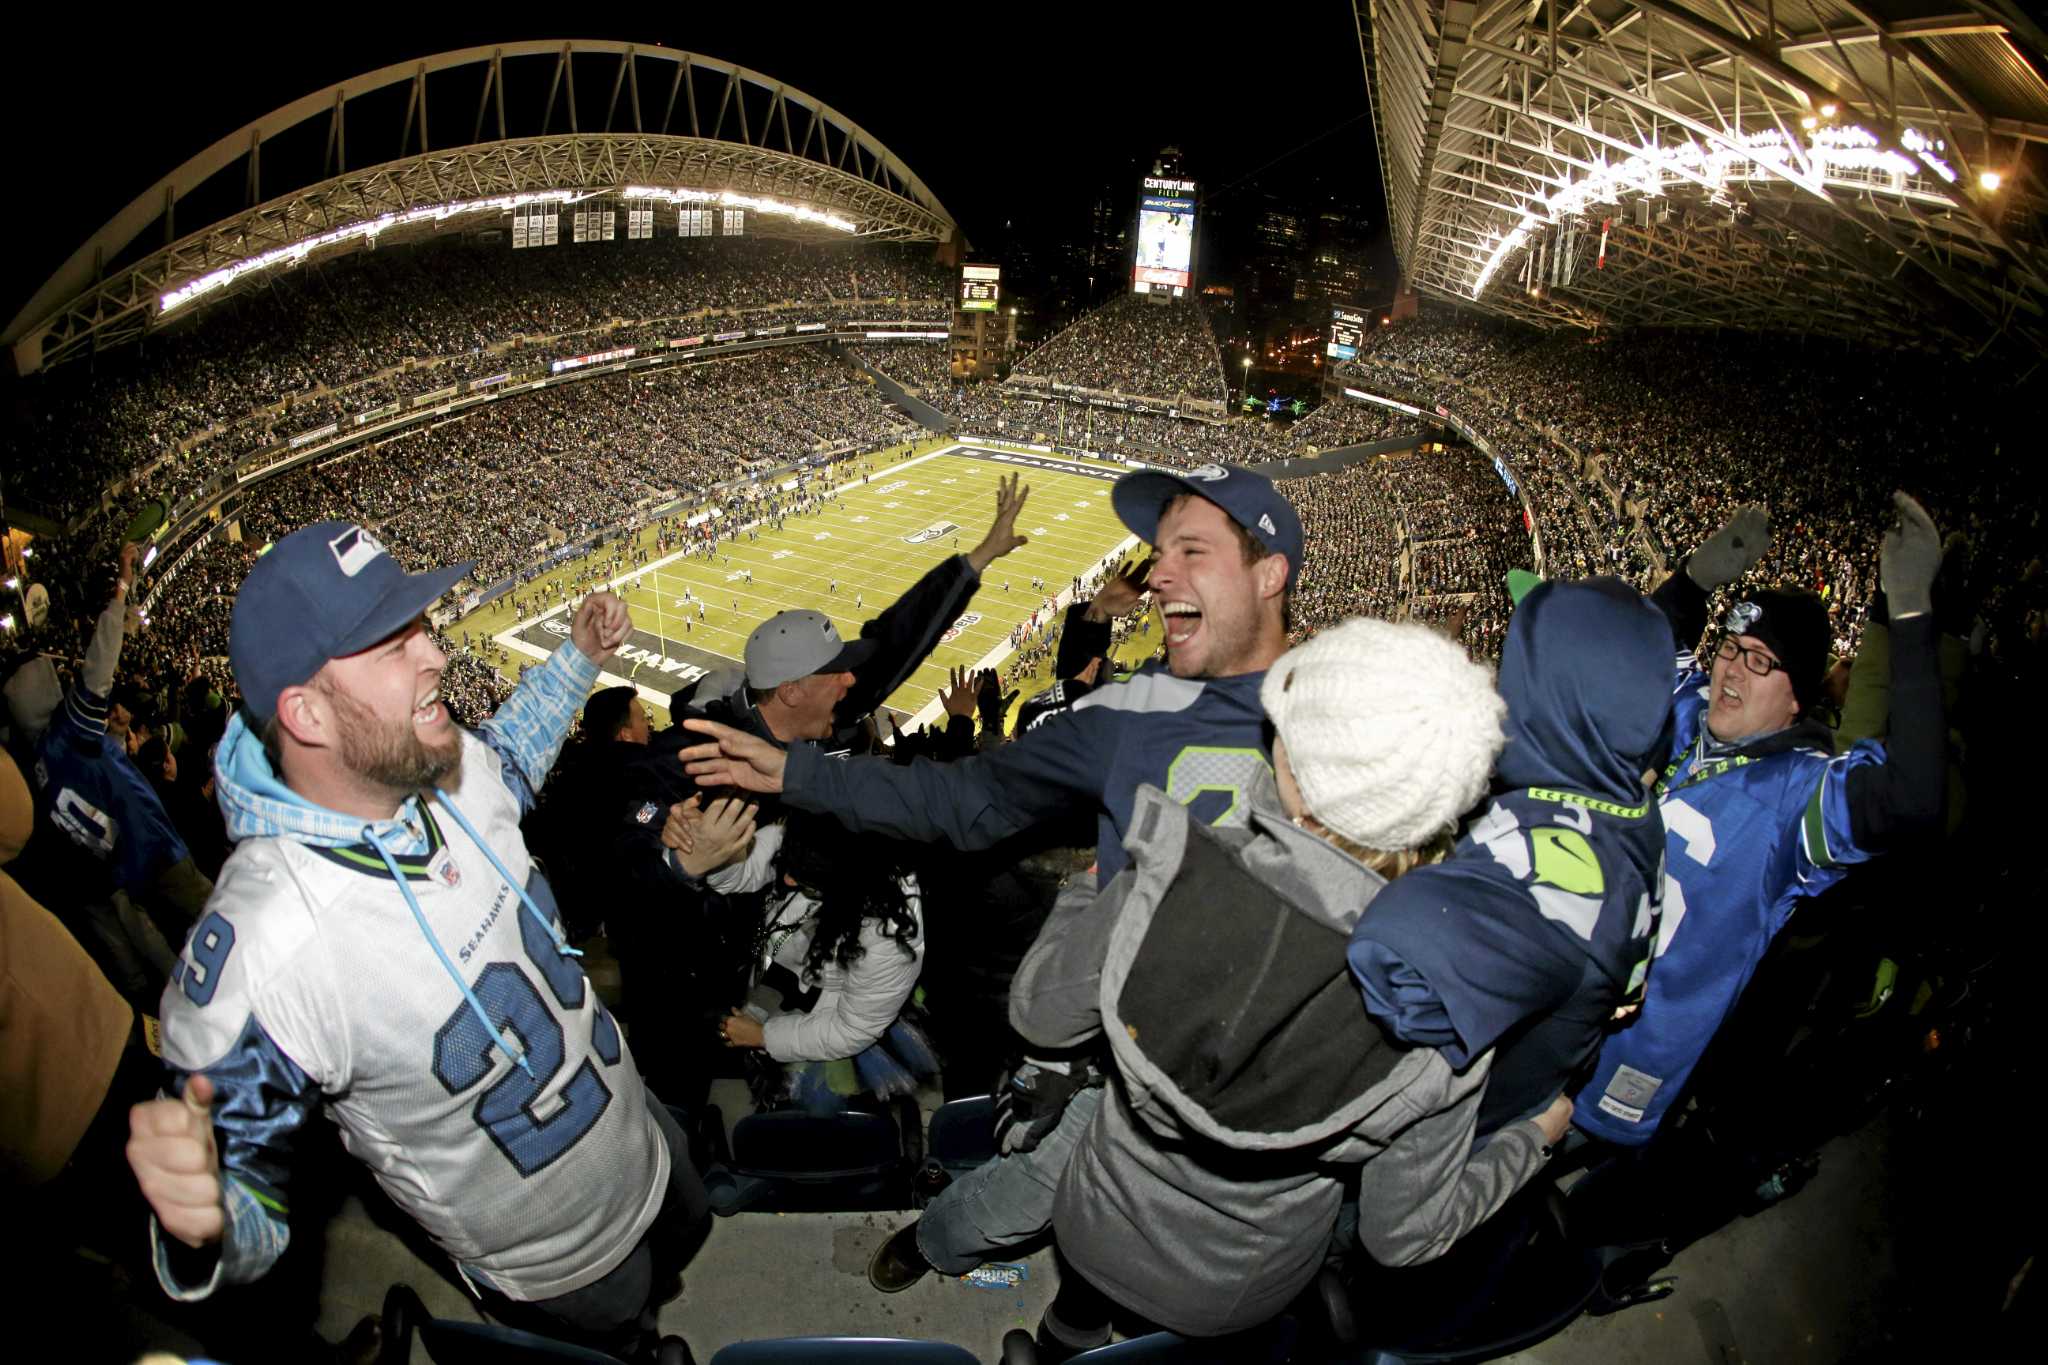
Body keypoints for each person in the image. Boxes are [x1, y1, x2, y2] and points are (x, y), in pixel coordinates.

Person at [678, 461, 1304, 1290]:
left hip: (1279, 1064)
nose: (1160, 574)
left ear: (1269, 573)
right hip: (1126, 1055)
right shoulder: (1129, 712)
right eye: (1160, 552)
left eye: (1192, 550)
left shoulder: (1356, 711)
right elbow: (967, 797)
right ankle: (944, 1248)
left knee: (1234, 1256)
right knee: (1039, 1196)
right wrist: (800, 777)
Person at [125, 522, 705, 1364]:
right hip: (556, 1258)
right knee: (628, 1336)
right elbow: (236, 1206)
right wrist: (202, 1223)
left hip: (638, 1126)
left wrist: (578, 659)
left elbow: (503, 763)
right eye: (392, 645)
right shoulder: (271, 946)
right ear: (306, 712)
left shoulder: (427, 758)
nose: (435, 653)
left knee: (689, 1236)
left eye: (419, 625)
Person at [1007, 618, 1570, 1357]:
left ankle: (1064, 1340)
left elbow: (1040, 1014)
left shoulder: (1168, 875)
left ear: (1290, 767)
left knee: (1075, 1315)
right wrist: (1532, 1139)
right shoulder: (1448, 1010)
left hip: (1100, 1217)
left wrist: (1086, 894)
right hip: (1239, 1283)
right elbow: (1402, 1235)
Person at [1575, 495, 1947, 1143]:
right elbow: (1649, 642)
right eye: (1729, 647)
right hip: (1556, 995)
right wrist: (1695, 580)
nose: (1731, 670)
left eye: (1760, 660)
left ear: (1798, 694)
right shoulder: (1689, 712)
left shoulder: (1798, 797)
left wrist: (1911, 618)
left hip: (1628, 1053)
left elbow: (1913, 797)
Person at [1349, 576, 1672, 1139]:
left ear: (1559, 696)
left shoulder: (1558, 876)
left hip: (1448, 1150)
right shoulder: (1622, 803)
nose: (1498, 676)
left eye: (1516, 662)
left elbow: (1392, 978)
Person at [709, 814, 935, 1110]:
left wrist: (764, 1037)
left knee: (832, 1116)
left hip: (837, 1017)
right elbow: (743, 873)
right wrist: (712, 855)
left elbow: (850, 1030)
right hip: (787, 978)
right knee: (773, 1092)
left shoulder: (891, 937)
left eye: (808, 879)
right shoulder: (814, 828)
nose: (787, 878)